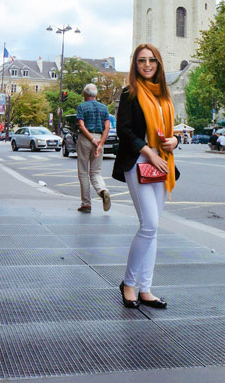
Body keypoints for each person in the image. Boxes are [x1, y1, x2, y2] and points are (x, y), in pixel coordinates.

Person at [113, 43, 179, 309]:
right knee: (149, 225)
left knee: (152, 229)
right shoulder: (130, 92)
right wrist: (148, 152)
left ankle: (146, 289)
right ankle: (129, 284)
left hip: (163, 162)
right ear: (135, 65)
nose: (147, 65)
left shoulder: (164, 95)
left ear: (159, 64)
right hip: (139, 160)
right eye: (142, 61)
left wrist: (174, 141)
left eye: (152, 60)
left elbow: (169, 131)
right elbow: (124, 130)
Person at [76, 83, 111, 213]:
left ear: (85, 94)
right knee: (96, 172)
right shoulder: (104, 108)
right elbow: (107, 126)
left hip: (86, 139)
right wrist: (100, 143)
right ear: (95, 95)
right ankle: (103, 191)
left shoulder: (82, 107)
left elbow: (81, 125)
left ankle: (86, 204)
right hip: (100, 137)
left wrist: (91, 139)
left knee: (83, 172)